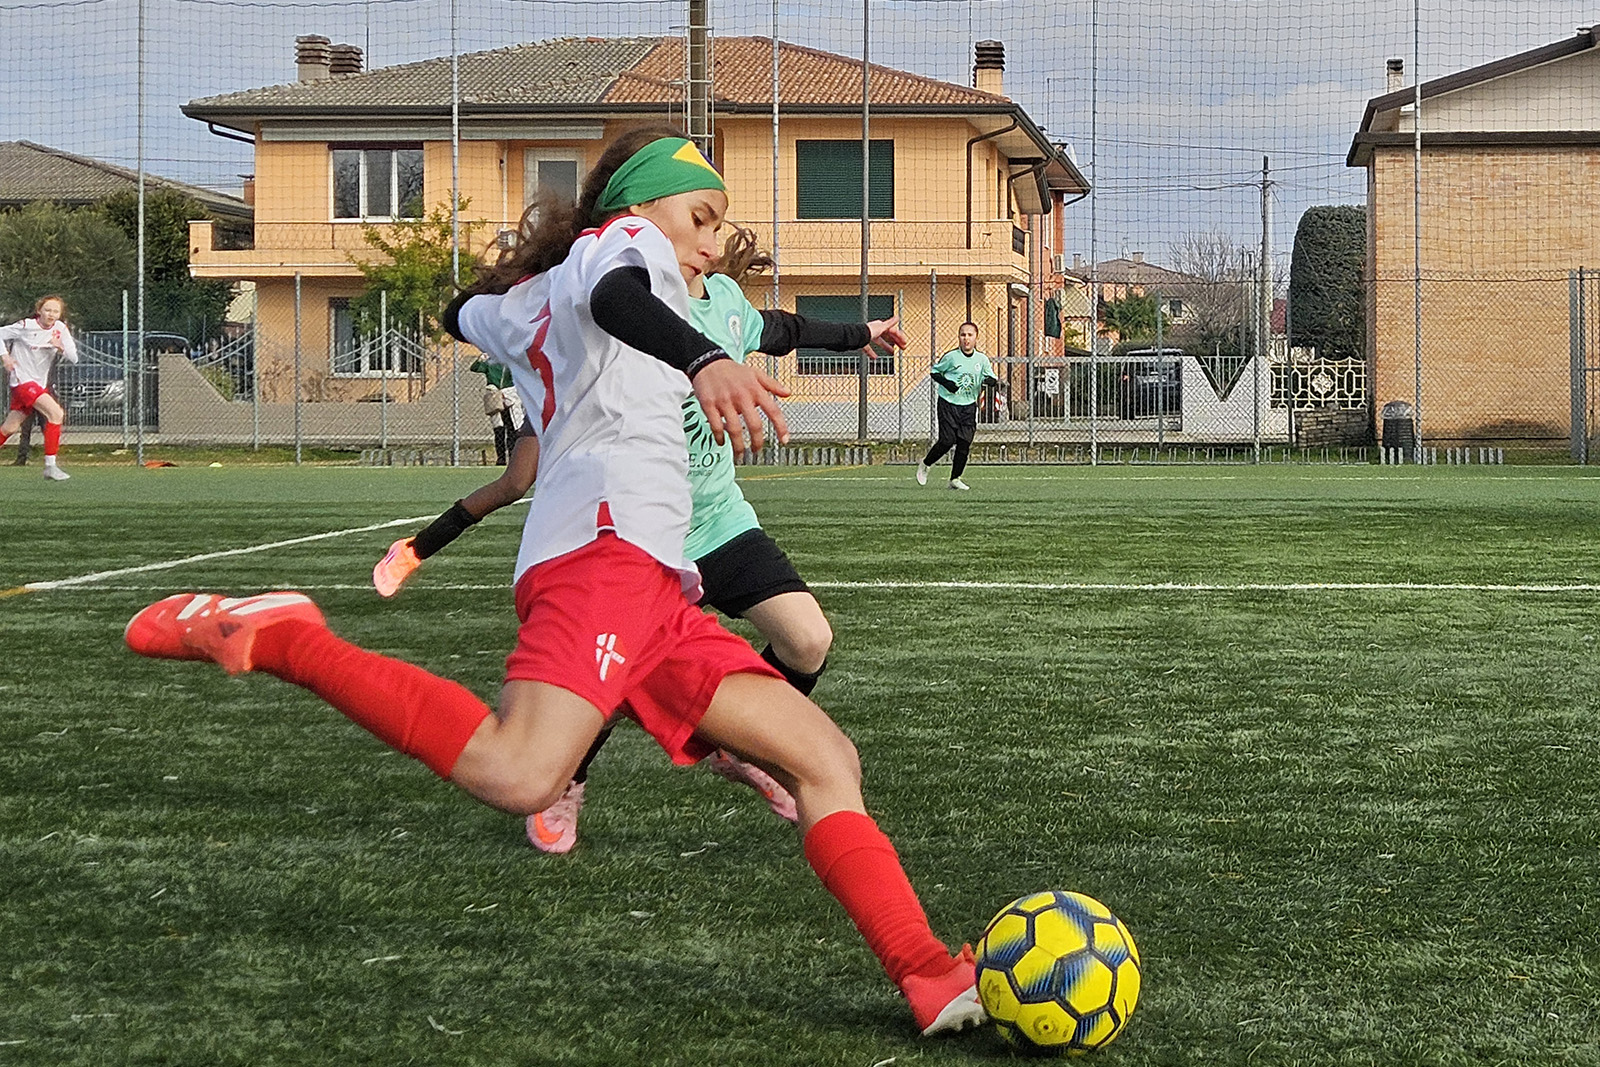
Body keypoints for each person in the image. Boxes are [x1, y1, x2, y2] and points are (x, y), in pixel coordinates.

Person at [125, 127, 985, 1038]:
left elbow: (465, 312)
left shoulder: (539, 293)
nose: (707, 242)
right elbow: (617, 293)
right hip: (605, 549)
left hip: (655, 577)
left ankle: (925, 971)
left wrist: (522, 304)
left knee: (825, 759)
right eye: (700, 218)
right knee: (520, 769)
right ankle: (288, 637)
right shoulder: (625, 248)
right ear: (641, 205)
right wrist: (702, 358)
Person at [372, 224, 909, 854]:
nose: (701, 238)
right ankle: (566, 779)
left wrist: (862, 332)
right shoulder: (616, 312)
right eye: (690, 218)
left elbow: (785, 330)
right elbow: (569, 317)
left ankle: (748, 748)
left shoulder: (727, 306)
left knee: (808, 638)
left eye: (711, 221)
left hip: (718, 519)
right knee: (606, 677)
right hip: (639, 526)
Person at [0, 295, 78, 480]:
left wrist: (60, 348)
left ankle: (50, 467)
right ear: (39, 311)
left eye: (55, 311)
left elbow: (74, 357)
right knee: (56, 414)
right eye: (48, 310)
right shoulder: (26, 326)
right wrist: (6, 358)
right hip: (22, 381)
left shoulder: (60, 329)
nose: (51, 314)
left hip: (38, 383)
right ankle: (50, 467)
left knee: (9, 428)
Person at [916, 321, 997, 492]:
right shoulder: (951, 357)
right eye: (963, 335)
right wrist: (948, 384)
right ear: (959, 337)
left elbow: (991, 378)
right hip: (948, 403)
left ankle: (955, 478)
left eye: (970, 335)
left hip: (968, 406)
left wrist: (989, 381)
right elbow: (934, 372)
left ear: (976, 337)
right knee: (947, 440)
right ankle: (926, 464)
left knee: (964, 442)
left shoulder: (981, 360)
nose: (966, 338)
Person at [472, 354, 522, 465]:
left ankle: (512, 455)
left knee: (513, 427)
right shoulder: (491, 362)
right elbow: (474, 368)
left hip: (510, 394)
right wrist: (481, 359)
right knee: (498, 427)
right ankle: (501, 458)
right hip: (494, 395)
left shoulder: (512, 362)